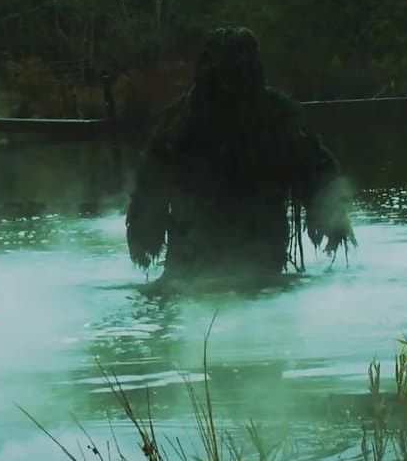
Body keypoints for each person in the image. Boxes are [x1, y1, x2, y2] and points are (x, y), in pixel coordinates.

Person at [125, 26, 356, 282]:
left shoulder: (179, 123)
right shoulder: (180, 125)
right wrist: (333, 213)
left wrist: (333, 214)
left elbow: (319, 173)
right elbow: (319, 172)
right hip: (219, 258)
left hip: (229, 259)